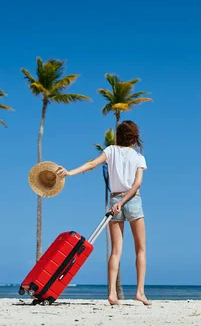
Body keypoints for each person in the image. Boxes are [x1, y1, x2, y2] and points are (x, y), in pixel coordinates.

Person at [56, 120, 151, 306]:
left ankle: (112, 294)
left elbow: (91, 164)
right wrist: (124, 202)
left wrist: (70, 173)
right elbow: (137, 183)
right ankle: (140, 292)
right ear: (134, 137)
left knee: (116, 250)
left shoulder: (110, 151)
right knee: (140, 249)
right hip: (133, 200)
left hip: (115, 199)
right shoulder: (139, 157)